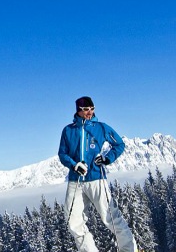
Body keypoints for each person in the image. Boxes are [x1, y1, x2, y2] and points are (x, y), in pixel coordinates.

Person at [58, 96, 139, 252]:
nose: (90, 112)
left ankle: (130, 249)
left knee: (111, 217)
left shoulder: (101, 128)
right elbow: (62, 154)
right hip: (76, 181)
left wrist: (107, 158)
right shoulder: (68, 130)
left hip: (97, 178)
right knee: (73, 221)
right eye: (86, 109)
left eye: (92, 108)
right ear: (78, 110)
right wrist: (74, 166)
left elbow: (119, 144)